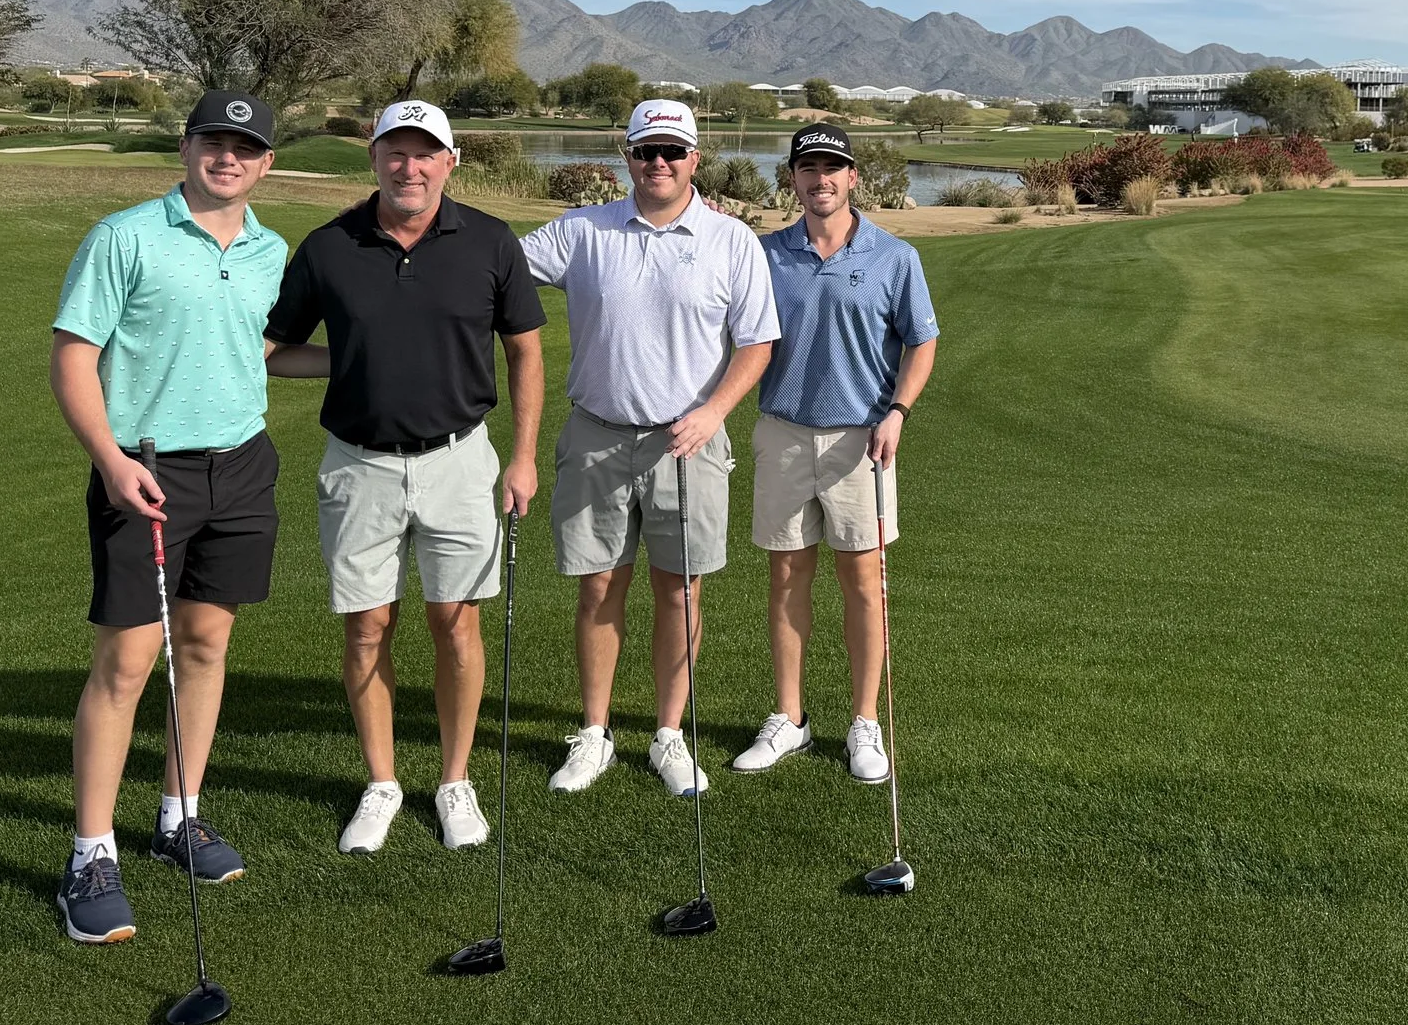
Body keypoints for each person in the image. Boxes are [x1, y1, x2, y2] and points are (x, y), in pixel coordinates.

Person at [261, 99, 545, 855]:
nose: (409, 166)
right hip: (359, 465)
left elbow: (525, 351)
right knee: (366, 625)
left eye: (425, 153)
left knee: (456, 621)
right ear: (374, 158)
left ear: (450, 162)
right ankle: (382, 781)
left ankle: (454, 779)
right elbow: (275, 347)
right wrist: (351, 357)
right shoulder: (329, 246)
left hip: (460, 459)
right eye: (396, 151)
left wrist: (522, 456)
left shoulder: (489, 240)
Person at [49, 91, 291, 945]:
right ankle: (90, 853)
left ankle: (178, 815)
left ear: (266, 162)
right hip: (145, 470)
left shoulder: (270, 248)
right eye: (213, 141)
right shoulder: (124, 237)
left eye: (246, 146)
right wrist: (111, 461)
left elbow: (257, 342)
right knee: (126, 661)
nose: (228, 157)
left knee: (205, 645)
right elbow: (74, 355)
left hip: (243, 465)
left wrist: (389, 355)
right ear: (186, 148)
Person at [521, 98, 778, 798]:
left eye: (671, 152)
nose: (657, 163)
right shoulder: (583, 230)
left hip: (688, 442)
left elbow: (757, 342)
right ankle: (595, 732)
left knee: (682, 590)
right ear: (625, 156)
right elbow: (496, 272)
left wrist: (713, 411)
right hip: (597, 435)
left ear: (697, 158)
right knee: (599, 586)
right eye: (644, 151)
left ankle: (667, 732)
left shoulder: (730, 241)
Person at [731, 123, 937, 784]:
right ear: (792, 178)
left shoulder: (894, 255)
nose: (820, 180)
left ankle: (863, 720)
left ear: (853, 177)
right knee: (786, 576)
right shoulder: (764, 254)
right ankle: (790, 718)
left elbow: (921, 341)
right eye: (808, 168)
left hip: (863, 440)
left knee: (863, 581)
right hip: (784, 432)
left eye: (833, 168)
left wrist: (899, 411)